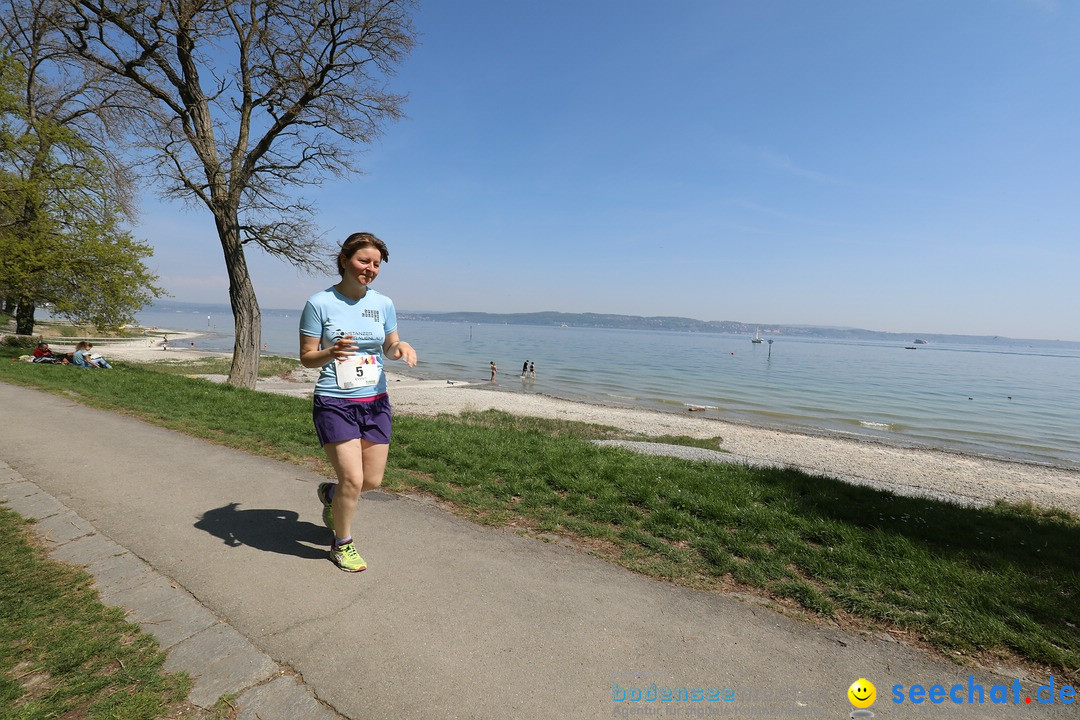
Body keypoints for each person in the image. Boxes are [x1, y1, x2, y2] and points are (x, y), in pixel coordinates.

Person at [299, 232, 417, 573]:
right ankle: (342, 543)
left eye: (377, 264)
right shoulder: (319, 304)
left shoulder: (383, 304)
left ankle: (333, 496)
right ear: (345, 261)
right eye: (364, 261)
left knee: (372, 481)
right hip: (335, 401)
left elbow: (389, 346)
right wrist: (329, 352)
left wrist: (401, 348)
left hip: (376, 401)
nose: (370, 269)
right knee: (352, 478)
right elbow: (307, 357)